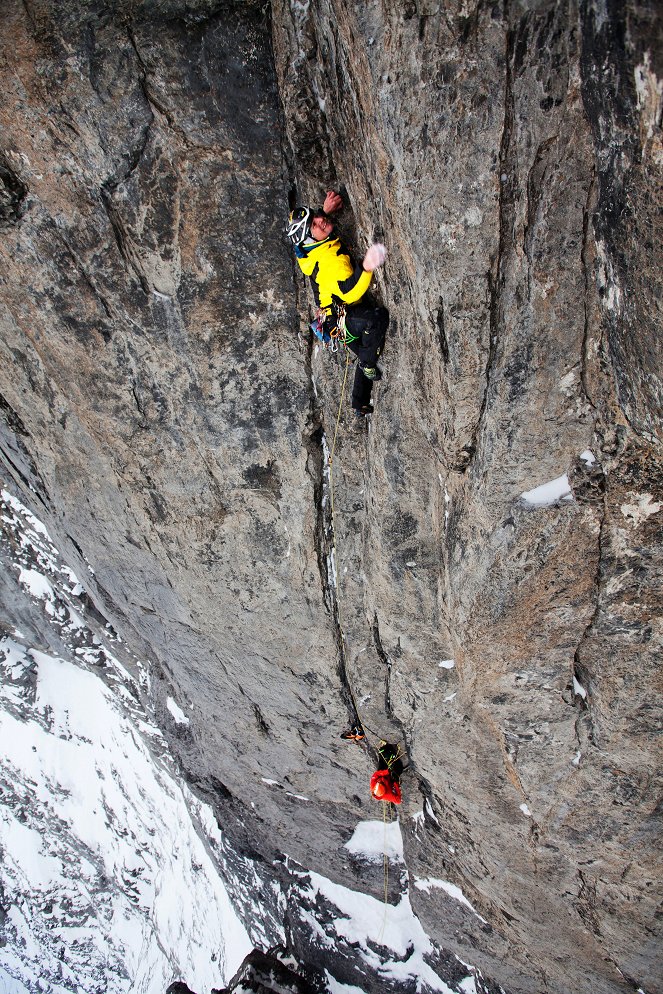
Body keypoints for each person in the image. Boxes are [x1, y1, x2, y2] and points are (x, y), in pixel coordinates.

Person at [286, 191, 389, 420]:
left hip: (337, 319)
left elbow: (307, 243)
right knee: (375, 320)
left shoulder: (311, 252)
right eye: (314, 223)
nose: (320, 220)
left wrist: (324, 212)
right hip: (343, 317)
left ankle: (359, 400)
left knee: (366, 343)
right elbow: (351, 292)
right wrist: (367, 267)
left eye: (315, 216)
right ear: (310, 238)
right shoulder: (328, 262)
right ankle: (367, 364)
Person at [370, 741, 403, 805]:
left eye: (380, 783)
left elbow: (376, 774)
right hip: (391, 780)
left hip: (382, 773)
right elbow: (398, 800)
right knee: (397, 768)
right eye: (383, 784)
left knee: (381, 754)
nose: (381, 782)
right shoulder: (388, 795)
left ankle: (386, 747)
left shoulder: (373, 785)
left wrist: (386, 772)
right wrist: (395, 785)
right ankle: (395, 756)